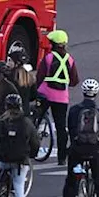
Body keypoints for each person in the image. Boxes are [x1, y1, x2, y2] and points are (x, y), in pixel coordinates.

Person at [35, 30, 81, 165]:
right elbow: (74, 81)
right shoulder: (70, 60)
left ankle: (30, 149)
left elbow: (39, 76)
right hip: (61, 97)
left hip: (45, 93)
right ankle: (62, 158)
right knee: (61, 127)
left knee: (35, 119)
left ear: (53, 44)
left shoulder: (48, 58)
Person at [6, 46, 38, 111]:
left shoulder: (10, 77)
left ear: (16, 63)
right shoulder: (29, 76)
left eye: (10, 61)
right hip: (25, 111)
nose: (8, 63)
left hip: (12, 112)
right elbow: (33, 95)